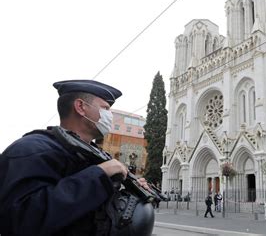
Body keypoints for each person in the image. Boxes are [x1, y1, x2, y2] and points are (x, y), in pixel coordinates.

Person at [0, 79, 154, 235]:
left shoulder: (97, 156)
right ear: (81, 107)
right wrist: (98, 174)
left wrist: (132, 191)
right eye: (105, 108)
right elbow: (20, 220)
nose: (110, 116)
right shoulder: (32, 150)